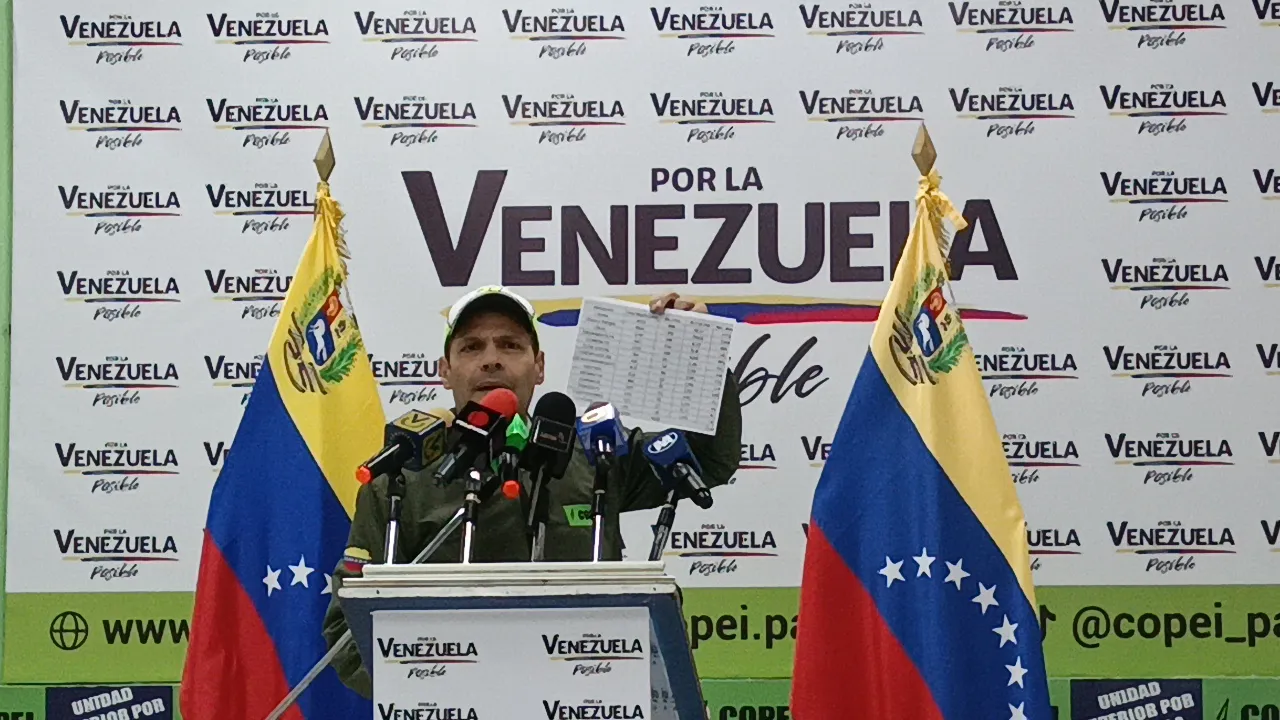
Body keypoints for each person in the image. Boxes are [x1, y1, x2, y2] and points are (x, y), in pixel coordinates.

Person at [321, 286, 743, 698]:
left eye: (510, 345)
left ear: (539, 366)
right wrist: (446, 691)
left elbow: (709, 460)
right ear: (444, 370)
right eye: (471, 348)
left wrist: (703, 352)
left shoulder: (594, 452)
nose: (491, 361)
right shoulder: (402, 474)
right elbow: (348, 634)